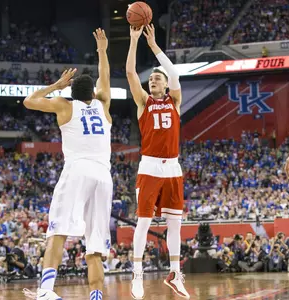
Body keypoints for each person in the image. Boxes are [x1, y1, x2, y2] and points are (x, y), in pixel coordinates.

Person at [22, 28, 113, 300]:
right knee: (95, 246)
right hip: (103, 176)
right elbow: (105, 77)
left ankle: (46, 291)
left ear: (72, 92)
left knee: (58, 229)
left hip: (78, 170)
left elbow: (29, 101)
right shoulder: (103, 105)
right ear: (94, 94)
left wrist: (55, 86)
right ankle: (96, 297)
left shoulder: (64, 105)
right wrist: (102, 51)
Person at [126, 24, 189, 299]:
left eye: (157, 78)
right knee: (143, 223)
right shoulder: (143, 102)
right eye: (150, 78)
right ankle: (137, 275)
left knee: (175, 224)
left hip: (173, 167)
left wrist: (153, 47)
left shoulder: (175, 101)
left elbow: (173, 72)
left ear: (165, 84)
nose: (153, 80)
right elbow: (130, 73)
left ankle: (175, 274)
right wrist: (134, 40)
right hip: (149, 166)